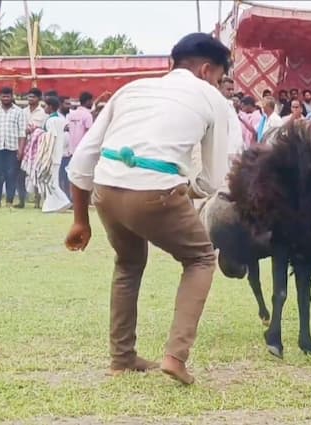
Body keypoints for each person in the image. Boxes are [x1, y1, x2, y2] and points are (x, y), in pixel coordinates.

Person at [64, 32, 232, 385]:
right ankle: (175, 356)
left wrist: (80, 220)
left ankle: (121, 358)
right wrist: (186, 189)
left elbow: (82, 159)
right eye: (219, 77)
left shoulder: (132, 89)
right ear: (206, 70)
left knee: (127, 264)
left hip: (106, 190)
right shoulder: (211, 98)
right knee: (200, 259)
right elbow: (213, 179)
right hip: (157, 191)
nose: (219, 84)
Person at [0, 87, 27, 209]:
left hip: (12, 147)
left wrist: (20, 149)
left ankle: (9, 200)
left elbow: (22, 133)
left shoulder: (19, 112)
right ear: (0, 97)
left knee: (11, 174)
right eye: (3, 96)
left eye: (8, 96)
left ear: (12, 96)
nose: (5, 98)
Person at [39, 96, 72, 213]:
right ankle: (51, 205)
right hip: (58, 153)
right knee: (51, 180)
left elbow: (51, 137)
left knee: (50, 181)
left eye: (45, 106)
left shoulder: (51, 120)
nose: (44, 108)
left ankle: (64, 201)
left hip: (51, 154)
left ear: (50, 107)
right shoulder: (60, 119)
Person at [64, 91, 94, 201]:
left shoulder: (72, 114)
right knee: (85, 174)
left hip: (72, 150)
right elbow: (90, 132)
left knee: (73, 174)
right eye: (91, 100)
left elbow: (67, 128)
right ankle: (86, 199)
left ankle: (72, 198)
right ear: (87, 101)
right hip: (83, 150)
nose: (92, 102)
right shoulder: (87, 115)